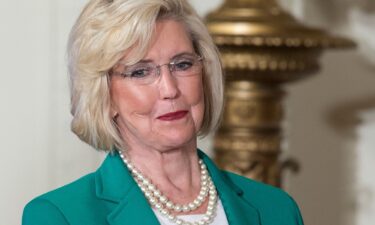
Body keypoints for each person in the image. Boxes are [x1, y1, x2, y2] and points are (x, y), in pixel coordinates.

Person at [22, 0, 304, 224]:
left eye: (182, 65)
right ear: (104, 95)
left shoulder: (276, 209)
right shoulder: (59, 216)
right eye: (141, 71)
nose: (170, 89)